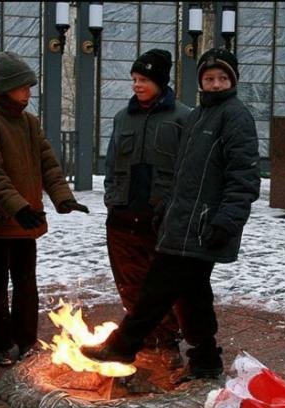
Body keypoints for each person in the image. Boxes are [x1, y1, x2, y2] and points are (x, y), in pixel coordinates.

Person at [81, 48, 261, 384]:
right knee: (193, 294)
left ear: (233, 80)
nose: (216, 84)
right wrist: (166, 206)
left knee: (158, 287)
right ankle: (205, 359)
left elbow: (244, 176)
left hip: (205, 225)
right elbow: (181, 171)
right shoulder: (199, 116)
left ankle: (123, 345)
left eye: (223, 78)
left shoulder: (235, 116)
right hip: (182, 220)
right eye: (209, 78)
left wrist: (227, 220)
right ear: (201, 82)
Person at [0, 51, 89, 367]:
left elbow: (48, 164)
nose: (28, 93)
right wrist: (19, 208)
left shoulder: (29, 123)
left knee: (26, 284)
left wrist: (62, 197)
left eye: (29, 87)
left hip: (26, 221)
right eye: (22, 87)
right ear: (5, 87)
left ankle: (26, 341)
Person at [104, 49, 191, 369]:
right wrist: (112, 198)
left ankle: (166, 342)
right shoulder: (122, 118)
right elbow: (111, 163)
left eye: (144, 80)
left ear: (160, 81)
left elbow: (188, 169)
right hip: (124, 217)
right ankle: (141, 340)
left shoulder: (184, 117)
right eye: (134, 79)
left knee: (162, 286)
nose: (137, 85)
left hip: (162, 220)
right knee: (130, 283)